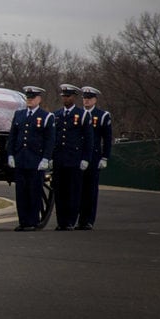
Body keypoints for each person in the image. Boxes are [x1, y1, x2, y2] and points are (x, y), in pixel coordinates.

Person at [7, 86, 56, 231]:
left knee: (34, 192)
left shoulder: (47, 117)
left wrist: (46, 158)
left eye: (32, 98)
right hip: (21, 159)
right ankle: (23, 221)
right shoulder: (19, 115)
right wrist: (11, 154)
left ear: (39, 99)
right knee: (21, 193)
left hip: (36, 161)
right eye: (28, 98)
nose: (30, 100)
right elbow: (13, 137)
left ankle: (33, 221)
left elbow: (49, 140)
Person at [51, 84, 94, 230]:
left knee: (73, 191)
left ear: (74, 97)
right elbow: (53, 138)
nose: (65, 98)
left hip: (74, 158)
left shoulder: (82, 115)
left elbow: (89, 139)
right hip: (59, 158)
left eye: (68, 96)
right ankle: (61, 221)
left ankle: (70, 221)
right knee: (59, 192)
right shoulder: (56, 115)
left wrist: (85, 158)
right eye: (64, 96)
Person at [78, 86, 112, 230]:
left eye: (89, 98)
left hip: (94, 156)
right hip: (79, 156)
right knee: (78, 189)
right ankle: (77, 218)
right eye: (85, 98)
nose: (86, 101)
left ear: (95, 100)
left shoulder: (102, 115)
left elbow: (107, 138)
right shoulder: (78, 114)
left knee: (90, 190)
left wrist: (105, 157)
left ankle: (88, 220)